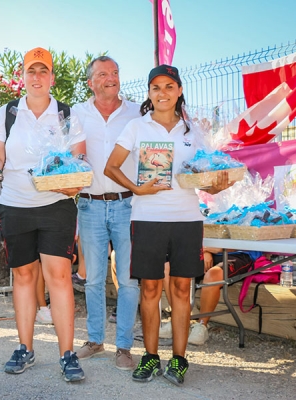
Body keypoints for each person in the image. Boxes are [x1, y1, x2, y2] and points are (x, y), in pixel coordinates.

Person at [104, 64, 234, 386]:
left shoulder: (193, 131)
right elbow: (111, 167)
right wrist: (136, 189)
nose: (162, 93)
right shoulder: (136, 127)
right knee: (150, 288)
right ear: (149, 93)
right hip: (147, 218)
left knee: (180, 288)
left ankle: (179, 359)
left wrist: (216, 185)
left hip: (187, 219)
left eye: (169, 86)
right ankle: (150, 356)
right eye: (156, 88)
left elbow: (205, 176)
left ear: (179, 91)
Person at [0, 47, 87, 382]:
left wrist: (72, 183)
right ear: (22, 77)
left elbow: (78, 159)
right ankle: (25, 348)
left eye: (42, 71)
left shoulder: (64, 113)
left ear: (51, 78)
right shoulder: (7, 112)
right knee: (23, 278)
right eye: (31, 71)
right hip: (15, 205)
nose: (36, 77)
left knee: (59, 277)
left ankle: (67, 353)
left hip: (56, 207)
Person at [72, 56, 141, 370]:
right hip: (89, 204)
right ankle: (95, 340)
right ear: (91, 82)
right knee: (94, 279)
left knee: (128, 280)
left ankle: (124, 347)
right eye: (103, 74)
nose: (111, 78)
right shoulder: (77, 113)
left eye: (115, 72)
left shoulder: (138, 111)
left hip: (129, 204)